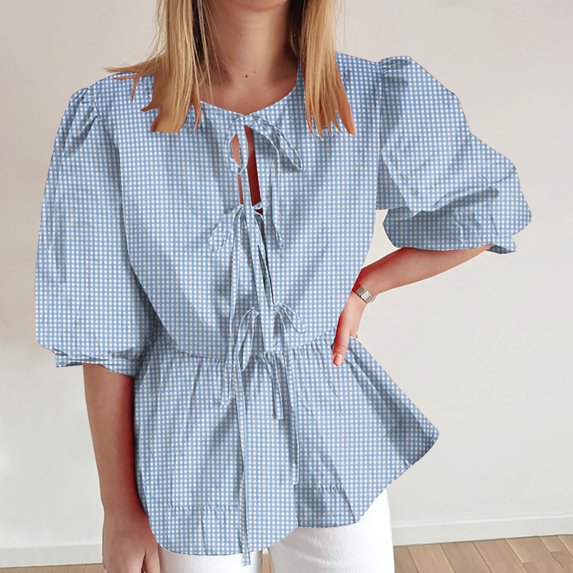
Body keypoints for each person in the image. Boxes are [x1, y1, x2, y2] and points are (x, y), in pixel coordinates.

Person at [34, 0, 532, 571]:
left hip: (329, 430)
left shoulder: (371, 99)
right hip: (187, 446)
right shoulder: (112, 119)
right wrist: (119, 509)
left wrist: (366, 286)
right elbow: (104, 331)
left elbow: (491, 204)